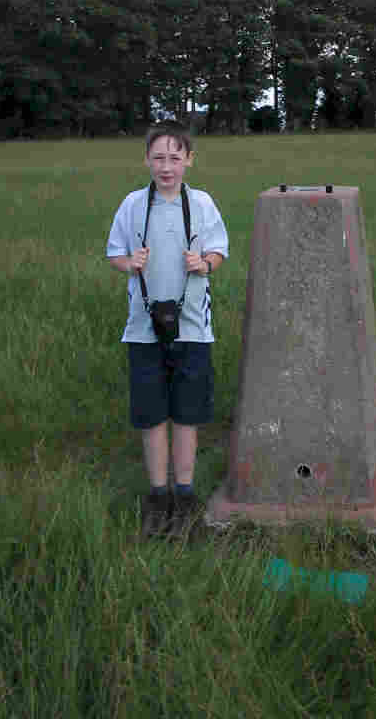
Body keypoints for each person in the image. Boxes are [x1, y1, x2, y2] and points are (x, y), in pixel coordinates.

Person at [107, 123, 229, 538]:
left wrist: (205, 264)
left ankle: (185, 492)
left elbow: (218, 251)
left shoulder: (202, 203)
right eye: (158, 157)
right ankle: (158, 495)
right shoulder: (132, 205)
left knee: (187, 414)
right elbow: (115, 255)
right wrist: (131, 263)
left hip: (193, 326)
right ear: (146, 160)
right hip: (143, 330)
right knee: (152, 413)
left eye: (175, 158)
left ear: (189, 161)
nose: (166, 166)